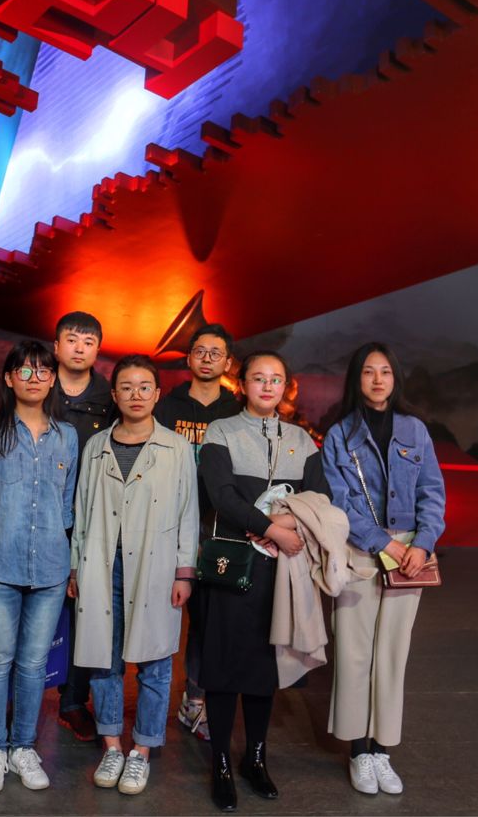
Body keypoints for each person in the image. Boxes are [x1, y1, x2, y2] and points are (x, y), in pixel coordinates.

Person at [196, 351, 327, 812]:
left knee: (262, 669)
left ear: (285, 387)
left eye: (276, 379)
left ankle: (255, 758)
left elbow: (319, 496)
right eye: (258, 378)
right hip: (231, 564)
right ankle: (220, 764)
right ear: (243, 384)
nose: (267, 386)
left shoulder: (302, 440)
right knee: (223, 667)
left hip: (281, 569)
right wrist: (271, 527)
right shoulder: (221, 431)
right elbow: (222, 495)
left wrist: (285, 527)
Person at [69, 355, 199, 796]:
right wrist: (76, 566)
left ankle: (141, 749)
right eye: (126, 387)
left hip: (155, 568)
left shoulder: (176, 448)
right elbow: (82, 510)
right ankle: (111, 746)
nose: (136, 395)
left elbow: (188, 513)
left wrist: (184, 573)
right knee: (103, 660)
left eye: (145, 387)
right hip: (102, 566)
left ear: (157, 394)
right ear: (115, 394)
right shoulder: (96, 446)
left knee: (155, 663)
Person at [321, 343, 445, 796]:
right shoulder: (339, 434)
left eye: (386, 372)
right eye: (369, 372)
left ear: (395, 379)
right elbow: (339, 502)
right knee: (354, 652)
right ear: (357, 379)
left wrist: (423, 543)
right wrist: (382, 542)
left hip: (409, 556)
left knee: (393, 652)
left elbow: (433, 492)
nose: (378, 380)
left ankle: (382, 751)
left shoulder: (415, 430)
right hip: (359, 552)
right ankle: (358, 752)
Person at [0, 340, 79, 794]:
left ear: (53, 379)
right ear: (9, 379)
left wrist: (71, 567)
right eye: (24, 371)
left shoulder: (67, 437)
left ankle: (23, 747)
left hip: (50, 569)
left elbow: (67, 509)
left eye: (42, 371)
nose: (34, 378)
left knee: (32, 664)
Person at [154, 322, 241, 741]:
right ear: (188, 358)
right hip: (167, 524)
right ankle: (152, 701)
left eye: (215, 353)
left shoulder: (237, 411)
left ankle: (195, 697)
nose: (207, 359)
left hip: (219, 529)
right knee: (161, 613)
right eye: (200, 351)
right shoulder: (165, 406)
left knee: (209, 620)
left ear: (228, 362)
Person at [49, 310, 113, 740]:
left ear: (97, 350)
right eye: (72, 340)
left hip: (88, 519)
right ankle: (19, 695)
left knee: (82, 612)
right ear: (56, 346)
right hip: (39, 516)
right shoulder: (37, 384)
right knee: (32, 609)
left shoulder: (109, 397)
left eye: (88, 342)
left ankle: (73, 701)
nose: (79, 348)